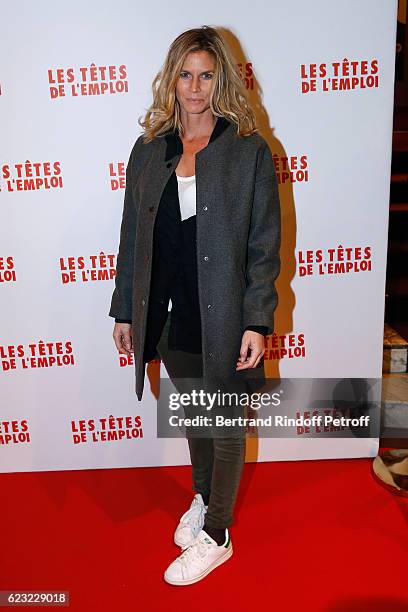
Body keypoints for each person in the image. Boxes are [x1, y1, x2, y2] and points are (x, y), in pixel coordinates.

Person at [109, 25, 281, 586]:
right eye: (185, 74)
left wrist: (258, 318)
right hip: (168, 312)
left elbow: (263, 245)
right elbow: (131, 234)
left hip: (225, 313)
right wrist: (125, 310)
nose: (195, 88)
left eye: (206, 75)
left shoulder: (248, 150)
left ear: (221, 79)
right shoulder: (149, 148)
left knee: (226, 423)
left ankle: (220, 533)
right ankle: (204, 497)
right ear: (171, 78)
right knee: (197, 417)